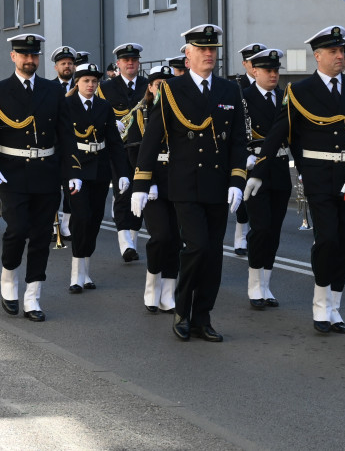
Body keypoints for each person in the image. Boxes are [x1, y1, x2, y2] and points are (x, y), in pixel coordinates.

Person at [245, 25, 345, 335]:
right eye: (333, 52)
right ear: (317, 56)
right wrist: (258, 172)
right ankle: (320, 303)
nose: (339, 56)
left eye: (342, 51)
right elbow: (278, 132)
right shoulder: (300, 92)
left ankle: (335, 306)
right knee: (328, 238)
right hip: (318, 178)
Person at [131, 25, 246, 343]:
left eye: (213, 49)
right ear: (188, 53)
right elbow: (152, 139)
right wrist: (141, 183)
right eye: (202, 49)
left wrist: (237, 179)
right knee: (196, 247)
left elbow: (237, 141)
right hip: (184, 184)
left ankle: (202, 317)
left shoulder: (229, 90)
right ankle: (182, 310)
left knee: (214, 256)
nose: (209, 54)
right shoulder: (171, 90)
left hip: (218, 184)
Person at [0, 33, 67, 322]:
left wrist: (72, 171)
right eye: (24, 55)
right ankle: (8, 281)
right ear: (13, 57)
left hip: (46, 173)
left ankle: (33, 296)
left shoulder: (52, 91)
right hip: (12, 173)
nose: (30, 60)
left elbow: (64, 135)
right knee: (17, 229)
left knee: (41, 235)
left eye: (34, 55)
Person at [61, 62, 130, 294]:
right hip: (76, 168)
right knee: (81, 217)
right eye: (86, 81)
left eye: (94, 81)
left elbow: (114, 142)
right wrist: (70, 172)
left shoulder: (104, 106)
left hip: (99, 169)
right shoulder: (67, 105)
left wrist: (122, 173)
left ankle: (86, 271)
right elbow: (63, 141)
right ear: (77, 82)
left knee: (94, 220)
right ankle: (75, 275)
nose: (91, 85)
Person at [125, 65, 180, 313]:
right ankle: (152, 285)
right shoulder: (140, 114)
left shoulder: (180, 112)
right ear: (149, 87)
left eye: (166, 84)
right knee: (161, 236)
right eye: (157, 84)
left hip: (178, 182)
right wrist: (147, 183)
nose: (161, 88)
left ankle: (169, 291)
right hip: (151, 184)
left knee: (177, 239)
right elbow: (135, 151)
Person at [241, 48, 291, 309]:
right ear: (255, 71)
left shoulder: (285, 97)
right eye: (268, 70)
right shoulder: (244, 98)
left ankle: (266, 285)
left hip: (280, 168)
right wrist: (244, 158)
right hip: (255, 169)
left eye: (276, 70)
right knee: (260, 228)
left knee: (273, 231)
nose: (273, 75)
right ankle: (254, 285)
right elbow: (236, 134)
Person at [98, 43, 147, 262]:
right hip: (117, 150)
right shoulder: (106, 88)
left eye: (134, 60)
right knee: (122, 192)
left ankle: (133, 238)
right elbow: (97, 114)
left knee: (141, 192)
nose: (130, 63)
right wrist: (111, 124)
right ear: (118, 64)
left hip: (142, 150)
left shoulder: (147, 86)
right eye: (126, 60)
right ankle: (125, 241)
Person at [233, 43, 266, 257]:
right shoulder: (236, 86)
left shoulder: (269, 85)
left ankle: (257, 236)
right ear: (245, 64)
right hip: (245, 150)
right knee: (244, 199)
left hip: (264, 150)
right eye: (251, 62)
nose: (255, 66)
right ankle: (240, 236)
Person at [50, 44, 78, 242]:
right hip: (52, 145)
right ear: (56, 67)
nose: (66, 66)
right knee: (52, 189)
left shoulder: (84, 86)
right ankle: (52, 226)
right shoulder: (48, 88)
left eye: (69, 63)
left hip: (73, 145)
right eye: (63, 63)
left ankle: (66, 226)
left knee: (71, 188)